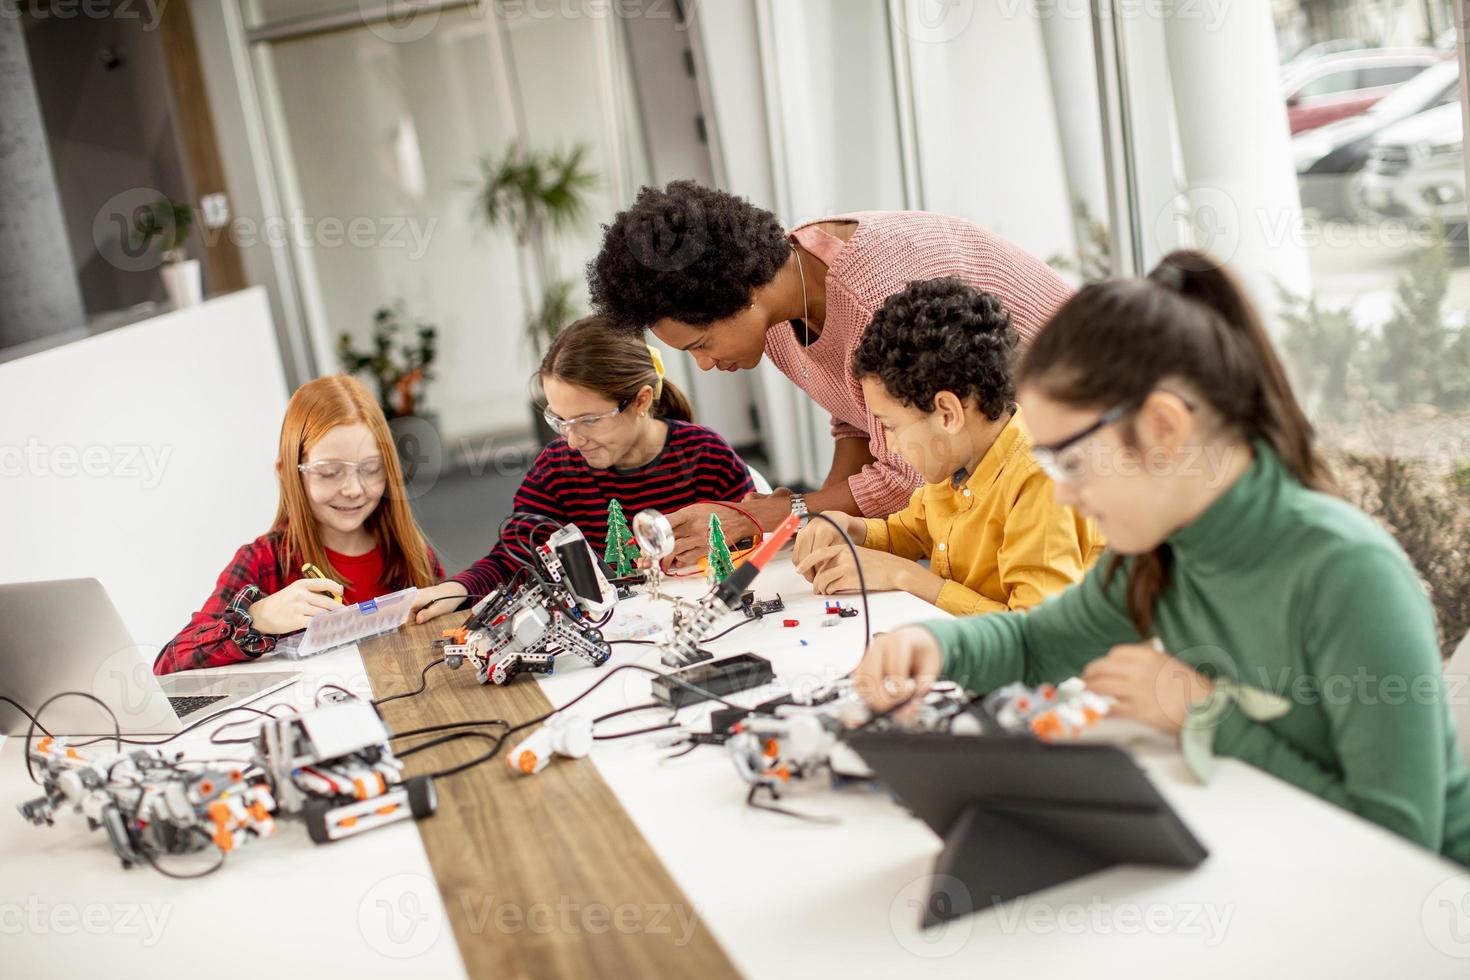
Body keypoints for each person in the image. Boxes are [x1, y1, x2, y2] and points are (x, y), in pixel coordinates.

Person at [851, 251, 1470, 865]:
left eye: (1071, 461)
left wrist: (1202, 715)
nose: (1063, 492)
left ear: (1165, 428)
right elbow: (1035, 644)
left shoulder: (1349, 574)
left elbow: (1397, 843)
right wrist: (937, 648)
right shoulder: (1161, 549)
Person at [589, 180, 1073, 566]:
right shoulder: (782, 298)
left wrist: (773, 513)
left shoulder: (874, 294)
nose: (705, 365)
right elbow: (858, 417)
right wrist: (815, 516)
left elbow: (914, 474)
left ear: (740, 293)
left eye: (701, 344)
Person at [411, 317, 756, 623]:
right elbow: (516, 556)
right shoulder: (557, 470)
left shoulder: (706, 456)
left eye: (588, 421)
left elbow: (758, 538)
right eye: (560, 420)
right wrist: (458, 588)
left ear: (641, 400)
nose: (572, 440)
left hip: (713, 622)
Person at [792, 279, 1102, 615]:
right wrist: (852, 528)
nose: (890, 445)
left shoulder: (1041, 480)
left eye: (891, 426)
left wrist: (907, 577)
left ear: (948, 414)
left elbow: (1038, 635)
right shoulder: (956, 457)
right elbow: (915, 532)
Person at [155, 375, 442, 674]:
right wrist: (257, 619)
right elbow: (169, 665)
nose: (354, 489)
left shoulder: (409, 552)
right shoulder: (262, 561)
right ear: (288, 473)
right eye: (330, 472)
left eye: (370, 469)